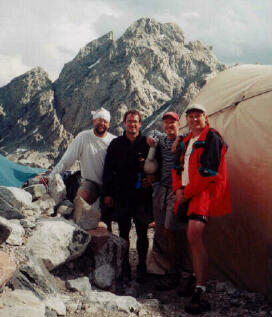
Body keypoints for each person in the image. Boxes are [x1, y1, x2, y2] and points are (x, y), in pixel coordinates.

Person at [172, 104, 232, 314]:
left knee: (194, 234)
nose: (195, 119)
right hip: (187, 193)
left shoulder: (212, 138)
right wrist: (177, 188)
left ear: (206, 118)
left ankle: (201, 289)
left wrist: (185, 193)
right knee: (189, 236)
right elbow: (177, 168)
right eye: (191, 116)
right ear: (186, 120)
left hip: (203, 193)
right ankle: (194, 277)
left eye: (198, 116)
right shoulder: (186, 141)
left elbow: (209, 173)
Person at [102, 109, 153, 283]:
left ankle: (142, 267)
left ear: (140, 124)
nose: (132, 124)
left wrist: (151, 179)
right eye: (129, 121)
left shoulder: (146, 144)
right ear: (124, 123)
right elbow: (108, 170)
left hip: (142, 196)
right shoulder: (116, 144)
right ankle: (124, 267)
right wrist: (107, 194)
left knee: (142, 232)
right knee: (123, 232)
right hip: (122, 195)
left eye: (136, 121)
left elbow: (156, 166)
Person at [146, 112, 192, 291]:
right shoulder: (162, 139)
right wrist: (150, 136)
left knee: (171, 230)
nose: (168, 125)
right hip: (161, 189)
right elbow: (151, 134)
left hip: (176, 190)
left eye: (172, 122)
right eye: (165, 123)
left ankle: (180, 273)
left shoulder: (185, 139)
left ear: (178, 123)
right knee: (163, 231)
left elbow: (191, 138)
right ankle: (169, 269)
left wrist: (179, 138)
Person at [48, 107, 116, 225]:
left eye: (105, 121)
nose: (102, 124)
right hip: (90, 182)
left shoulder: (113, 141)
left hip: (109, 185)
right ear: (94, 121)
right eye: (99, 120)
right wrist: (52, 175)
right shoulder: (83, 137)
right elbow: (66, 160)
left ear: (109, 124)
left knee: (105, 220)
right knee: (82, 197)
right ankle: (74, 227)